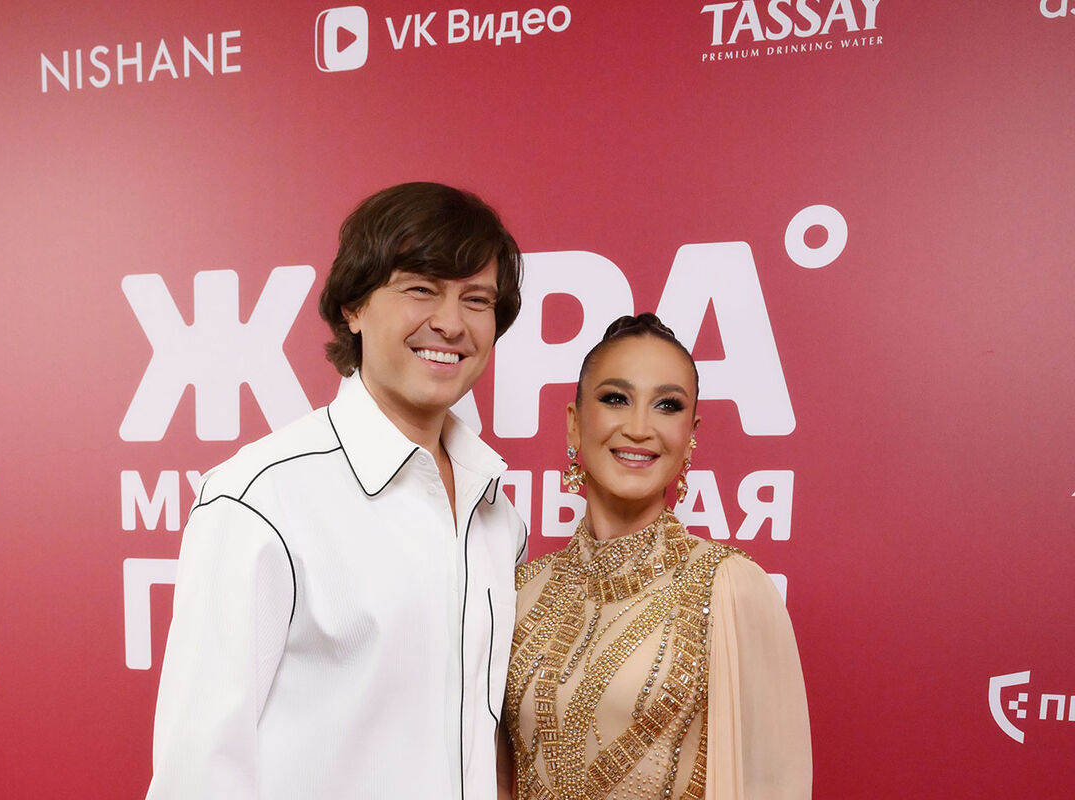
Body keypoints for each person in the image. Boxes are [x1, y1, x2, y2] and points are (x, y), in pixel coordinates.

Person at [147, 182, 528, 800]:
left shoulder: (495, 513)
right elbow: (199, 773)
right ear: (353, 307)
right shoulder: (260, 500)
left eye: (476, 299)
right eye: (420, 289)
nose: (451, 323)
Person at [502, 314, 811, 799]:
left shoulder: (730, 587)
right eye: (615, 399)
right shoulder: (519, 592)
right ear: (574, 424)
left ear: (690, 433)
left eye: (667, 405)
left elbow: (771, 783)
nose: (640, 428)